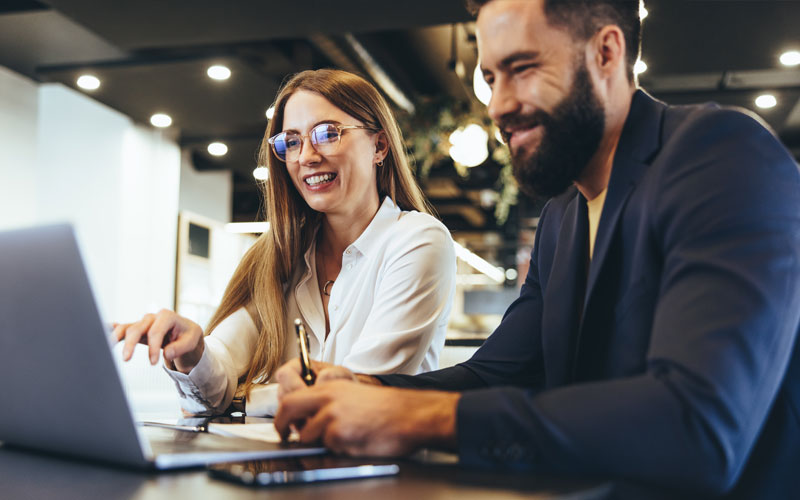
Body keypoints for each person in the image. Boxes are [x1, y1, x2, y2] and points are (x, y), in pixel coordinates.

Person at [273, 1, 800, 497]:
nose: (499, 105)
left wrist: (416, 419)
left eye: (521, 68)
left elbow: (698, 425)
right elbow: (498, 373)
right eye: (489, 78)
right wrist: (363, 386)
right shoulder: (562, 216)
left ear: (607, 52)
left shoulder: (723, 155)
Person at [114, 69, 456, 416]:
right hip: (286, 466)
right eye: (291, 141)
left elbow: (357, 394)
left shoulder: (418, 241)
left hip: (385, 467)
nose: (306, 156)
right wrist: (193, 352)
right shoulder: (281, 257)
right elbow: (218, 373)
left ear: (379, 146)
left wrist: (243, 399)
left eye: (327, 133)